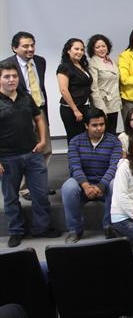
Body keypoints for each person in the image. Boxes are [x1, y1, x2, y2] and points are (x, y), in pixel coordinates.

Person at [0, 61, 60, 248]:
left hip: (32, 154)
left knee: (40, 194)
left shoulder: (26, 97)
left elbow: (39, 117)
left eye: (14, 76)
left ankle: (42, 227)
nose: (11, 80)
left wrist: (42, 140)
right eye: (7, 76)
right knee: (11, 198)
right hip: (7, 158)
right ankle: (16, 231)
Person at [3, 31, 53, 201]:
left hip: (40, 108)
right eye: (25, 46)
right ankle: (25, 189)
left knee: (45, 148)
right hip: (20, 111)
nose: (30, 49)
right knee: (26, 150)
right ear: (14, 48)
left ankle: (39, 184)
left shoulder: (40, 61)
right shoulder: (7, 65)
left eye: (32, 45)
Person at [62, 109, 122, 243]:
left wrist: (101, 185)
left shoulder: (114, 142)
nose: (99, 128)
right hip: (83, 183)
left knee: (116, 183)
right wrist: (86, 186)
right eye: (95, 125)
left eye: (102, 124)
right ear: (86, 125)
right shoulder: (75, 142)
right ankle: (74, 230)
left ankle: (109, 226)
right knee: (68, 187)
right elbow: (75, 166)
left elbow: (114, 167)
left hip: (105, 183)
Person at [57, 38, 92, 143]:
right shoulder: (64, 67)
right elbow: (63, 90)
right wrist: (75, 110)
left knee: (85, 139)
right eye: (76, 49)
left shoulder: (82, 66)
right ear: (68, 50)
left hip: (84, 106)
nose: (79, 52)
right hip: (71, 109)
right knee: (74, 139)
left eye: (82, 49)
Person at [87, 34, 121, 134]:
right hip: (102, 103)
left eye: (103, 46)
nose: (101, 49)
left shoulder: (111, 61)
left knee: (112, 132)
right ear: (93, 49)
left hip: (114, 103)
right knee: (102, 133)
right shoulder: (93, 63)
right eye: (97, 47)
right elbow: (93, 88)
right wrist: (101, 108)